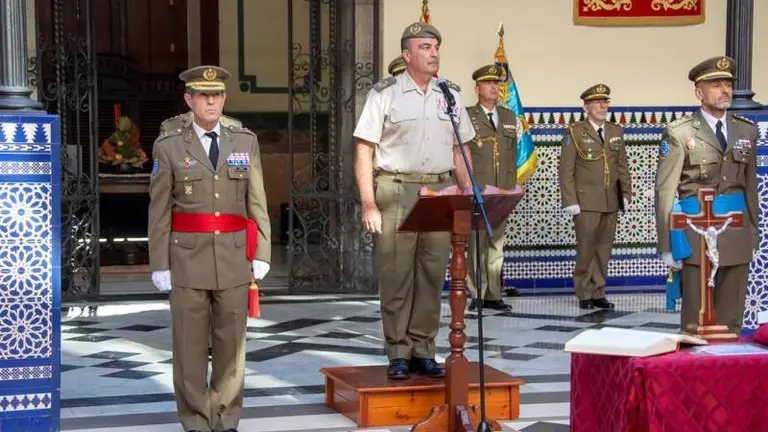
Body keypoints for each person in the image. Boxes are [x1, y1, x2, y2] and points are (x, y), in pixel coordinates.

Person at [148, 65, 271, 432]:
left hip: (234, 258)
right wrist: (159, 262)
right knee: (189, 347)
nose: (212, 101)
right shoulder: (169, 144)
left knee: (232, 347)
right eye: (203, 95)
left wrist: (262, 250)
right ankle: (197, 421)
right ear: (189, 100)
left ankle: (226, 418)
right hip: (187, 259)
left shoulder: (244, 141)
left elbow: (257, 200)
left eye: (217, 95)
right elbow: (159, 210)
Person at [353, 21, 474, 380]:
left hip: (438, 191)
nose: (433, 52)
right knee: (397, 273)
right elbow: (364, 148)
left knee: (431, 273)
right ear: (407, 54)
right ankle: (398, 351)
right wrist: (369, 202)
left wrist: (466, 195)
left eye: (435, 46)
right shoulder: (385, 93)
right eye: (424, 47)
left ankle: (423, 348)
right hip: (396, 189)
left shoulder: (448, 93)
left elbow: (460, 148)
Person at [655, 56, 758, 335]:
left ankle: (728, 374)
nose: (725, 89)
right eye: (716, 84)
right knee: (696, 320)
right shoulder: (679, 132)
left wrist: (754, 232)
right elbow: (665, 190)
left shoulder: (746, 130)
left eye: (727, 84)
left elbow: (749, 187)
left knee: (731, 319)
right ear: (699, 92)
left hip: (736, 231)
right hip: (695, 233)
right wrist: (666, 245)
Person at [558, 84, 632, 310]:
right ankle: (584, 293)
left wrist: (626, 193)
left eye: (605, 101)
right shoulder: (574, 132)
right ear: (586, 106)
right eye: (597, 102)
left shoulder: (615, 131)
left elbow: (622, 166)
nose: (602, 106)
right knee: (586, 249)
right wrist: (570, 200)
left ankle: (599, 291)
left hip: (610, 199)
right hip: (586, 201)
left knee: (603, 249)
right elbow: (566, 170)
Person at [465, 64, 516, 312]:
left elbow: (512, 154)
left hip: (502, 192)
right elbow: (462, 156)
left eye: (496, 84)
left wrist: (511, 188)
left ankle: (494, 294)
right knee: (477, 243)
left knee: (497, 244)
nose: (494, 87)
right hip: (479, 191)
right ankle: (477, 292)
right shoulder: (467, 116)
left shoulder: (508, 117)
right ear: (477, 89)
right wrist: (468, 187)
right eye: (488, 84)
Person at [160, 111, 243, 135]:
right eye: (203, 95)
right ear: (189, 98)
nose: (210, 101)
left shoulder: (234, 125)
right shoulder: (171, 127)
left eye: (216, 94)